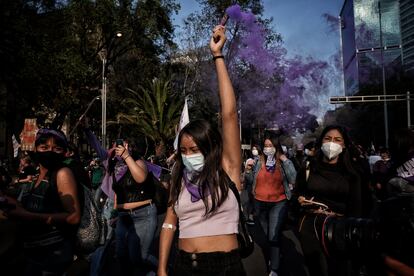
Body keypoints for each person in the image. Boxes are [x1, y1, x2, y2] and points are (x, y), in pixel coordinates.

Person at [158, 25, 245, 276]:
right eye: (183, 151)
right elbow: (168, 225)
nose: (188, 156)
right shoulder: (179, 179)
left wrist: (217, 55)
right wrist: (162, 269)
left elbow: (228, 115)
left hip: (225, 268)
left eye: (194, 149)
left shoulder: (227, 170)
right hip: (185, 265)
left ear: (208, 148)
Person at [6, 128, 81, 275]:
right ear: (36, 149)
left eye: (57, 149)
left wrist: (27, 216)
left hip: (53, 255)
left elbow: (74, 217)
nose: (50, 152)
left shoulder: (62, 174)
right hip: (33, 254)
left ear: (65, 152)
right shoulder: (36, 175)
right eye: (44, 147)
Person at [295, 125, 363, 276]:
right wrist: (299, 199)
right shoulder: (308, 167)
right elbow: (296, 193)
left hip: (341, 229)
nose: (332, 143)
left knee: (340, 270)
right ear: (321, 142)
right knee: (317, 270)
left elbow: (357, 207)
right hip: (310, 228)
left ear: (344, 145)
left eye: (337, 140)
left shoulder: (352, 173)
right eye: (328, 138)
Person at [244, 133, 297, 276]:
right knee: (268, 234)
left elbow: (293, 178)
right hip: (259, 203)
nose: (268, 149)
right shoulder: (258, 162)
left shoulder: (283, 162)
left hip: (278, 203)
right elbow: (249, 181)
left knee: (273, 234)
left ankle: (274, 268)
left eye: (271, 146)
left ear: (276, 147)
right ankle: (276, 254)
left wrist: (285, 160)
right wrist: (248, 170)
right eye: (266, 146)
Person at [111, 138, 159, 275]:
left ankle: (162, 269)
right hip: (123, 217)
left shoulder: (139, 163)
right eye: (118, 145)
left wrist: (126, 156)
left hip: (143, 215)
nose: (121, 148)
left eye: (126, 145)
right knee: (121, 255)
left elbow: (140, 178)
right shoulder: (116, 167)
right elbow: (117, 192)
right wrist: (115, 212)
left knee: (139, 256)